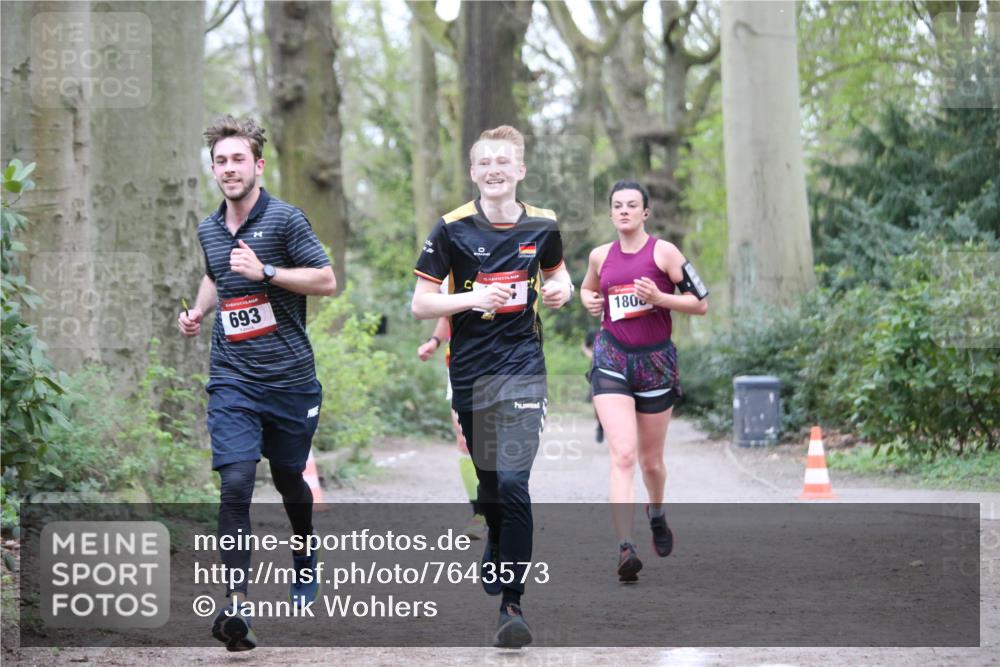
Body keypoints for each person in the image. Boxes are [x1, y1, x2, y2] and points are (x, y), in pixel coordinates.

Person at [177, 115, 336, 651]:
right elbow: (213, 273)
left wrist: (266, 272)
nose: (228, 168)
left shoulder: (287, 221)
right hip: (232, 378)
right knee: (237, 481)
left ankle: (304, 548)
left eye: (237, 159)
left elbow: (326, 280)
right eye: (220, 161)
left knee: (290, 476)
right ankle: (237, 602)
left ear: (258, 165)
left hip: (290, 381)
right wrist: (198, 311)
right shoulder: (208, 227)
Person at [411, 125, 573, 648]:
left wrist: (560, 291)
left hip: (524, 368)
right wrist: (472, 298)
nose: (494, 170)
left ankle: (512, 604)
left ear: (520, 170)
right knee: (489, 484)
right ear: (474, 172)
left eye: (504, 161)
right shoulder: (451, 229)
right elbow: (421, 303)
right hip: (471, 373)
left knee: (512, 483)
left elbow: (558, 275)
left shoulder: (544, 224)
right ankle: (495, 535)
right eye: (484, 163)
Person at [579, 180, 708, 582]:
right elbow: (587, 289)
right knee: (622, 455)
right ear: (611, 212)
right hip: (612, 357)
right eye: (617, 205)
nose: (624, 211)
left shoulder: (665, 252)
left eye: (632, 205)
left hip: (654, 362)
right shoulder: (600, 256)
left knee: (651, 462)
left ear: (645, 212)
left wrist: (661, 299)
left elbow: (701, 303)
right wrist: (588, 299)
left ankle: (657, 513)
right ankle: (625, 548)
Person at [416, 306, 486, 539]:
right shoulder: (450, 271)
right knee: (465, 440)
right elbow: (449, 313)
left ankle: (503, 505)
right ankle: (480, 514)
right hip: (460, 361)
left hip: (502, 360)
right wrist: (434, 342)